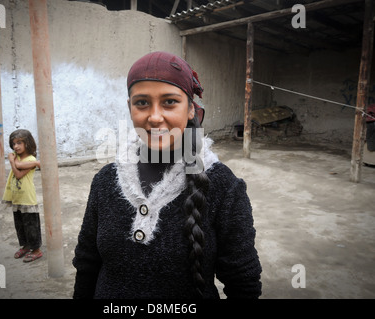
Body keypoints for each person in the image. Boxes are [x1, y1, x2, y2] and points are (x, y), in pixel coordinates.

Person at [72, 51, 262, 298]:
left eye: (170, 102)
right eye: (142, 103)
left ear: (191, 109)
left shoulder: (223, 186)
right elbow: (87, 265)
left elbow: (243, 283)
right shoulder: (105, 181)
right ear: (129, 108)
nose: (154, 117)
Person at [2, 129, 42, 263]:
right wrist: (13, 160)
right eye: (13, 144)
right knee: (20, 225)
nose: (16, 146)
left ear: (28, 143)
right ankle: (26, 246)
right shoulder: (16, 157)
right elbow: (17, 165)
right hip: (17, 198)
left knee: (31, 225)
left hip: (27, 198)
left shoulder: (31, 160)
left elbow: (18, 173)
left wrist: (12, 162)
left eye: (19, 143)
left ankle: (36, 250)